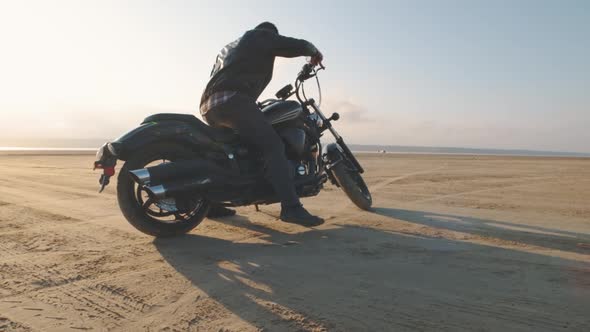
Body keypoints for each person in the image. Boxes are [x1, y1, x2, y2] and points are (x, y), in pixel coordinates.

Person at [200, 22, 324, 227]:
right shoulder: (258, 36)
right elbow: (292, 44)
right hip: (232, 100)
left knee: (226, 153)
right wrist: (313, 50)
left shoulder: (230, 48)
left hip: (210, 106)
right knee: (274, 146)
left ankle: (212, 203)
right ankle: (291, 208)